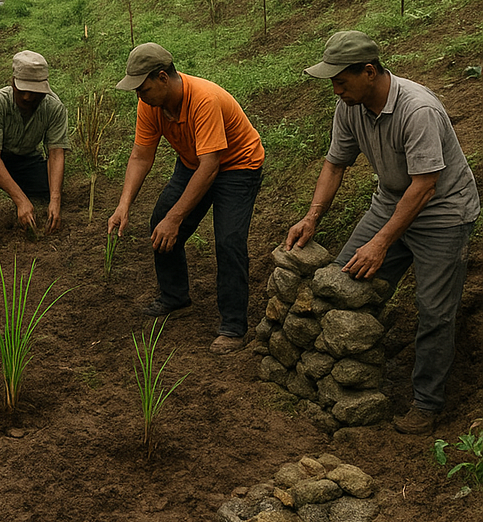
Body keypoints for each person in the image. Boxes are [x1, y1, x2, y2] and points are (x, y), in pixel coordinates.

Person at [285, 31, 480, 435]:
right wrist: (312, 217)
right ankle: (350, 372)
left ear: (369, 72)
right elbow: (335, 164)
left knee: (434, 312)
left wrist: (381, 242)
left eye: (341, 81)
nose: (335, 90)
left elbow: (425, 185)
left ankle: (427, 403)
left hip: (443, 213)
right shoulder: (350, 106)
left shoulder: (417, 109)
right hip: (391, 201)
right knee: (340, 281)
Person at [107, 43, 265, 354]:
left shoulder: (203, 99)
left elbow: (212, 166)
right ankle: (175, 298)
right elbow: (141, 155)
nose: (140, 95)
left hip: (237, 164)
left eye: (144, 88)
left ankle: (233, 326)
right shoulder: (150, 105)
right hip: (195, 161)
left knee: (228, 241)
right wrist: (123, 205)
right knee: (160, 223)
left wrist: (176, 218)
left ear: (163, 77)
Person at [0, 50, 69, 233]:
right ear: (12, 82)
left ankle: (20, 187)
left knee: (52, 184)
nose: (27, 97)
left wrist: (56, 200)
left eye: (34, 92)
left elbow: (56, 153)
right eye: (22, 90)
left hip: (24, 157)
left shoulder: (54, 109)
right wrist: (21, 201)